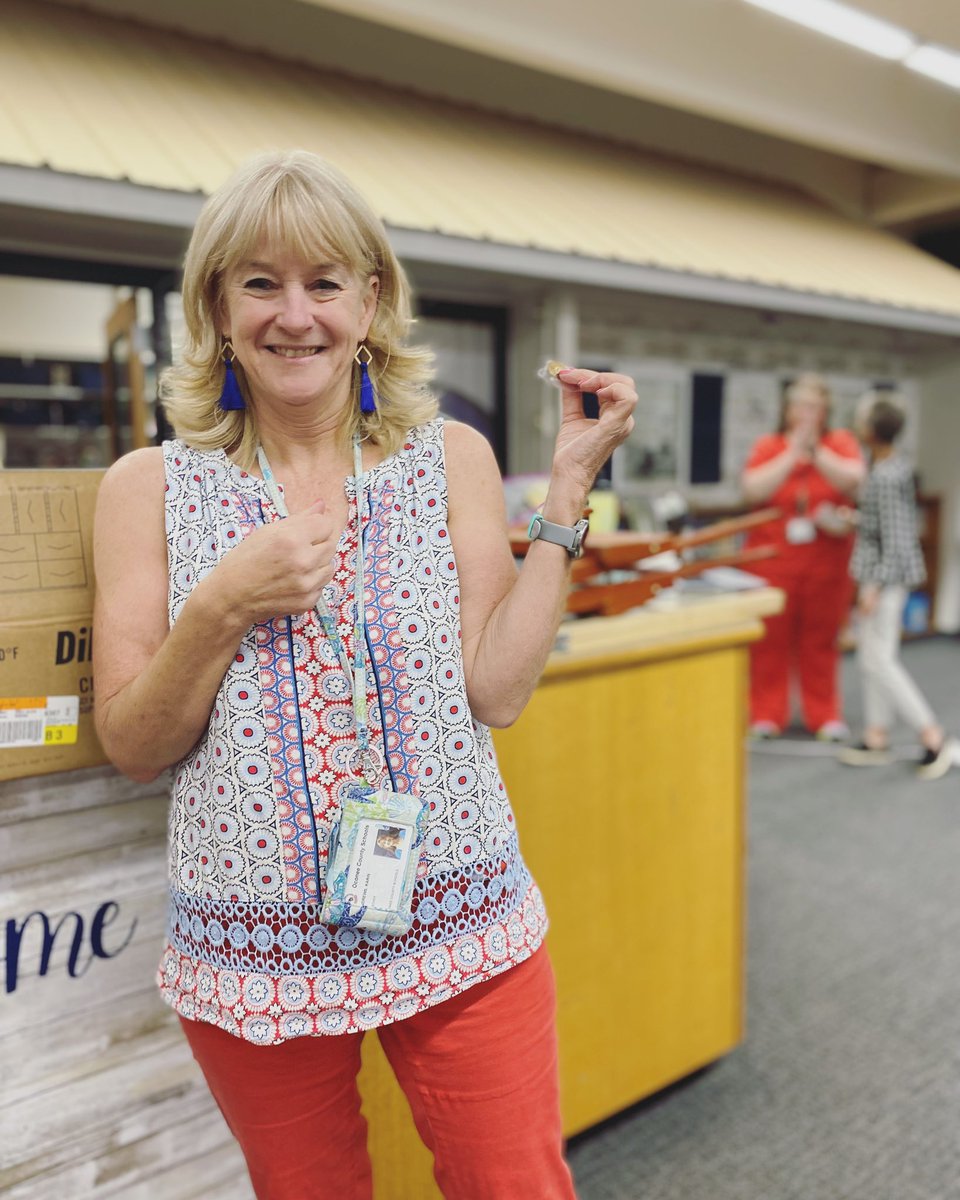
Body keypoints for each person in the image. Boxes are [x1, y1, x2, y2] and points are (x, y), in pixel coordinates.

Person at [92, 149, 637, 1200]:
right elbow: (133, 745)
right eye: (259, 282)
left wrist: (569, 488)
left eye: (325, 282)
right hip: (250, 948)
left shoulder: (454, 459)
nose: (295, 315)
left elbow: (499, 692)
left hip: (462, 917)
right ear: (216, 305)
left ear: (371, 300)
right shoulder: (147, 489)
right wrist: (218, 609)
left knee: (516, 1186)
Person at [838, 392, 956, 780]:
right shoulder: (886, 466)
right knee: (874, 659)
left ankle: (933, 736)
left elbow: (897, 537)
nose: (856, 424)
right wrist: (856, 519)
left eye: (860, 419)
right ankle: (876, 736)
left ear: (872, 430)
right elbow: (883, 526)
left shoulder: (887, 475)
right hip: (878, 575)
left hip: (883, 580)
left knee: (880, 661)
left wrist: (874, 587)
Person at [741, 374, 865, 739]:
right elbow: (751, 489)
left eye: (815, 407)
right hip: (773, 562)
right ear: (788, 410)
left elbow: (854, 480)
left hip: (826, 564)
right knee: (769, 641)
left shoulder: (839, 443)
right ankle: (766, 714)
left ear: (826, 410)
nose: (807, 414)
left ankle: (824, 714)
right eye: (800, 406)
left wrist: (817, 453)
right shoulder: (769, 445)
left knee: (821, 641)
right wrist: (792, 453)